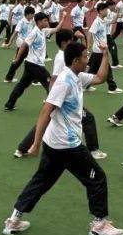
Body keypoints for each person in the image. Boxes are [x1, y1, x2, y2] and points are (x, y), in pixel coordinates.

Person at [2, 40, 123, 235]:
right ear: (76, 60)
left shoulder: (78, 77)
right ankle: (99, 225)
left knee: (41, 181)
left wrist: (104, 54)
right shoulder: (64, 82)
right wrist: (35, 143)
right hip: (67, 146)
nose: (87, 60)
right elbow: (45, 112)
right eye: (85, 57)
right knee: (97, 178)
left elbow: (101, 77)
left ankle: (14, 220)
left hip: (55, 145)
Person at [13, 28, 105, 160]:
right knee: (87, 118)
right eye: (71, 40)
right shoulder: (61, 58)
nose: (73, 43)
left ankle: (22, 148)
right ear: (63, 43)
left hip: (62, 96)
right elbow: (54, 78)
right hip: (61, 97)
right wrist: (52, 97)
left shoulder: (65, 55)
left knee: (49, 119)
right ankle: (93, 150)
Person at [4, 12, 54, 111]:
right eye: (45, 20)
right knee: (50, 83)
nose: (47, 22)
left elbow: (56, 29)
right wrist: (17, 59)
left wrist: (64, 17)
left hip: (30, 64)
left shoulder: (42, 31)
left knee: (22, 85)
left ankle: (9, 104)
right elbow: (23, 45)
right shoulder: (34, 32)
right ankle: (53, 107)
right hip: (35, 65)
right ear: (39, 22)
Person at [87, 2, 121, 93]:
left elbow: (113, 21)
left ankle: (84, 85)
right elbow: (90, 33)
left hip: (99, 50)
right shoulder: (97, 22)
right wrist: (88, 47)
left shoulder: (103, 20)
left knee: (92, 70)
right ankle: (112, 88)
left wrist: (117, 13)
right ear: (100, 11)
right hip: (99, 50)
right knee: (107, 68)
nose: (107, 11)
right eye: (105, 10)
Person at [3, 5, 35, 83]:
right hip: (22, 44)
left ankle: (8, 78)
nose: (33, 15)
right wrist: (9, 43)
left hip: (27, 44)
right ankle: (35, 80)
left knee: (19, 61)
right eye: (32, 14)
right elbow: (15, 33)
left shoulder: (30, 21)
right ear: (28, 14)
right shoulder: (22, 22)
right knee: (29, 60)